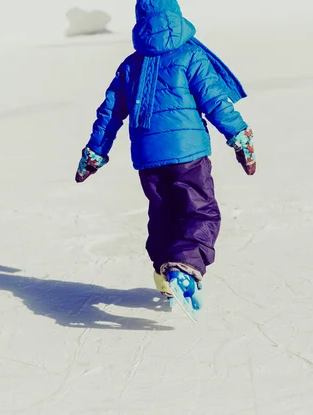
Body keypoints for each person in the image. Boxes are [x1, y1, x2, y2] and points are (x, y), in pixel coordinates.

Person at [74, 0, 256, 312]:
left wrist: (94, 152)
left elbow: (109, 114)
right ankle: (183, 268)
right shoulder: (191, 54)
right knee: (200, 212)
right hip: (189, 153)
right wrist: (239, 137)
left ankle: (164, 276)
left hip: (148, 158)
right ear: (177, 16)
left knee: (163, 215)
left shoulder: (130, 65)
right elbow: (215, 101)